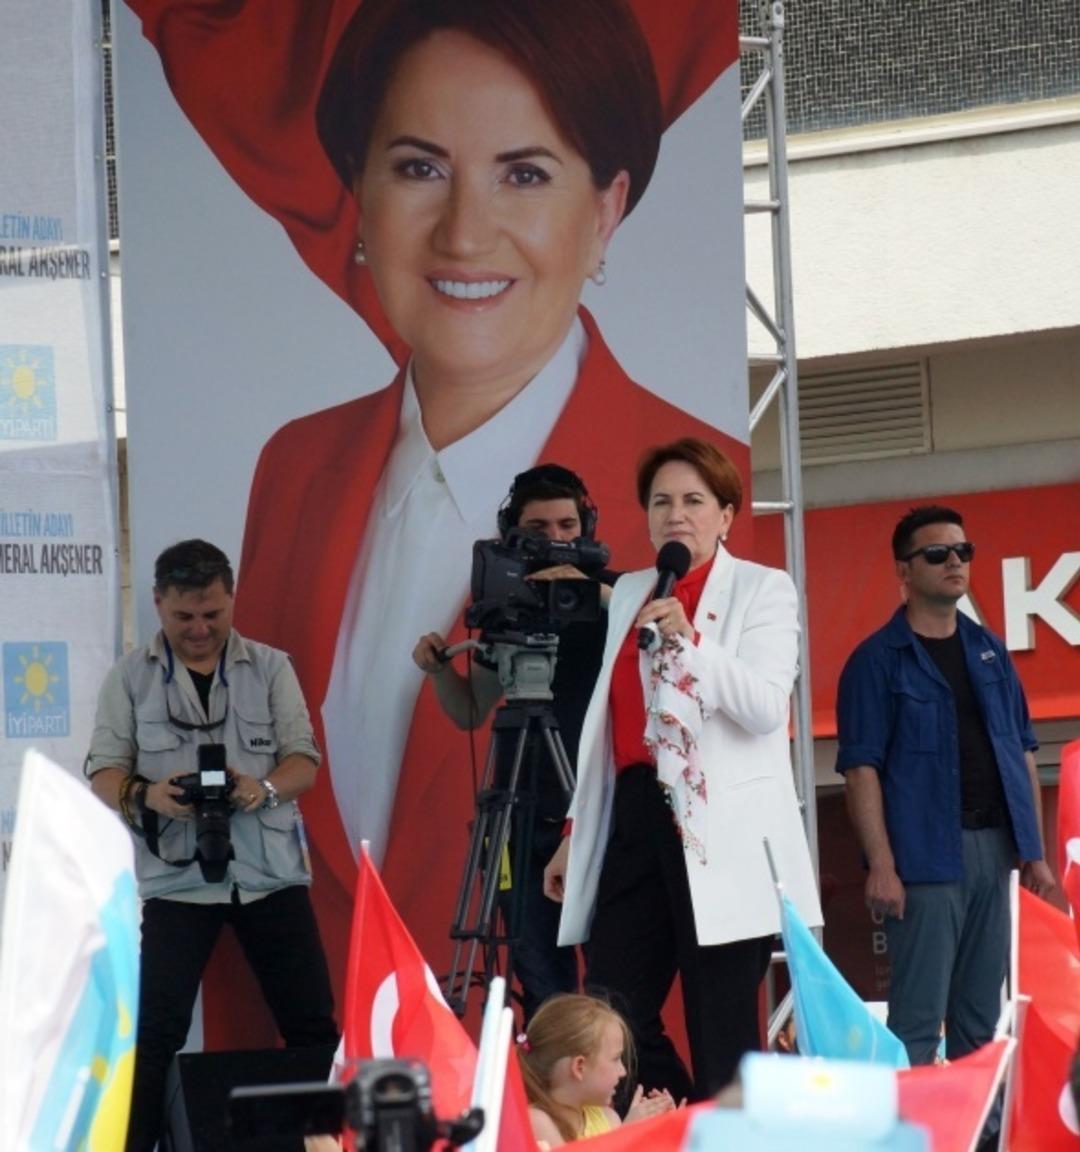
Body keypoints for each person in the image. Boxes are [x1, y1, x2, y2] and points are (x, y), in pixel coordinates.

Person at [127, 0, 747, 1043]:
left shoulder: (688, 502)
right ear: (358, 200)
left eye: (524, 172)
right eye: (417, 167)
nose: (464, 231)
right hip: (335, 1065)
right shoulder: (297, 465)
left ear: (607, 209)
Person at [545, 438, 823, 1102]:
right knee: (610, 1009)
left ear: (726, 514)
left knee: (722, 1024)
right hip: (638, 812)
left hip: (719, 828)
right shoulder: (635, 590)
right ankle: (673, 1115)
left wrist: (691, 642)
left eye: (695, 501)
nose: (677, 515)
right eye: (662, 502)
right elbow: (610, 727)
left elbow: (762, 706)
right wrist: (576, 830)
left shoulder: (764, 588)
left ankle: (724, 1128)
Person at [85, 540, 338, 1152]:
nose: (199, 630)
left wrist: (264, 788)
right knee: (155, 1029)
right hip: (177, 882)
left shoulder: (272, 666)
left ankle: (333, 1141)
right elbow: (102, 771)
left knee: (311, 1024)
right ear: (157, 605)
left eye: (212, 615)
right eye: (183, 617)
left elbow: (304, 760)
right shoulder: (129, 676)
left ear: (231, 602)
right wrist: (150, 795)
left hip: (271, 873)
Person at [835, 505, 1055, 1067]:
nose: (955, 561)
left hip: (995, 849)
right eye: (937, 554)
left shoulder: (991, 651)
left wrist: (1034, 854)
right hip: (924, 859)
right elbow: (861, 770)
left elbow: (1023, 752)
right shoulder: (874, 662)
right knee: (914, 1022)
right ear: (904, 571)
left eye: (963, 551)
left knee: (981, 1025)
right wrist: (881, 864)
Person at [412, 464, 612, 1019]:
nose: (556, 539)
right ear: (512, 534)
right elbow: (471, 709)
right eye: (538, 528)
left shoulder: (618, 598)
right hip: (520, 816)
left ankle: (612, 1097)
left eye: (568, 524)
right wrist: (437, 672)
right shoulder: (506, 602)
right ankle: (547, 1095)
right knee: (540, 984)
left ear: (587, 525)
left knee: (611, 979)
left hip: (596, 814)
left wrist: (590, 593)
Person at [518, 994, 678, 1146]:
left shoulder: (609, 1118)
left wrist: (665, 1131)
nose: (623, 1071)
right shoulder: (537, 1122)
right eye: (616, 1059)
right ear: (579, 1067)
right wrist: (626, 1135)